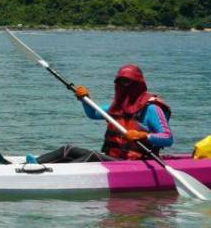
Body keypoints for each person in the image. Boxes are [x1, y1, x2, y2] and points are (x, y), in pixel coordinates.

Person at [29, 64, 172, 164]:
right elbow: (93, 114)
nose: (123, 86)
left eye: (127, 82)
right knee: (68, 149)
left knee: (94, 156)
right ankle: (30, 164)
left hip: (135, 161)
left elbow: (167, 137)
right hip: (113, 158)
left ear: (138, 84)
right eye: (120, 82)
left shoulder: (151, 108)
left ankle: (49, 173)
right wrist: (86, 100)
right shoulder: (117, 106)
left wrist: (144, 135)